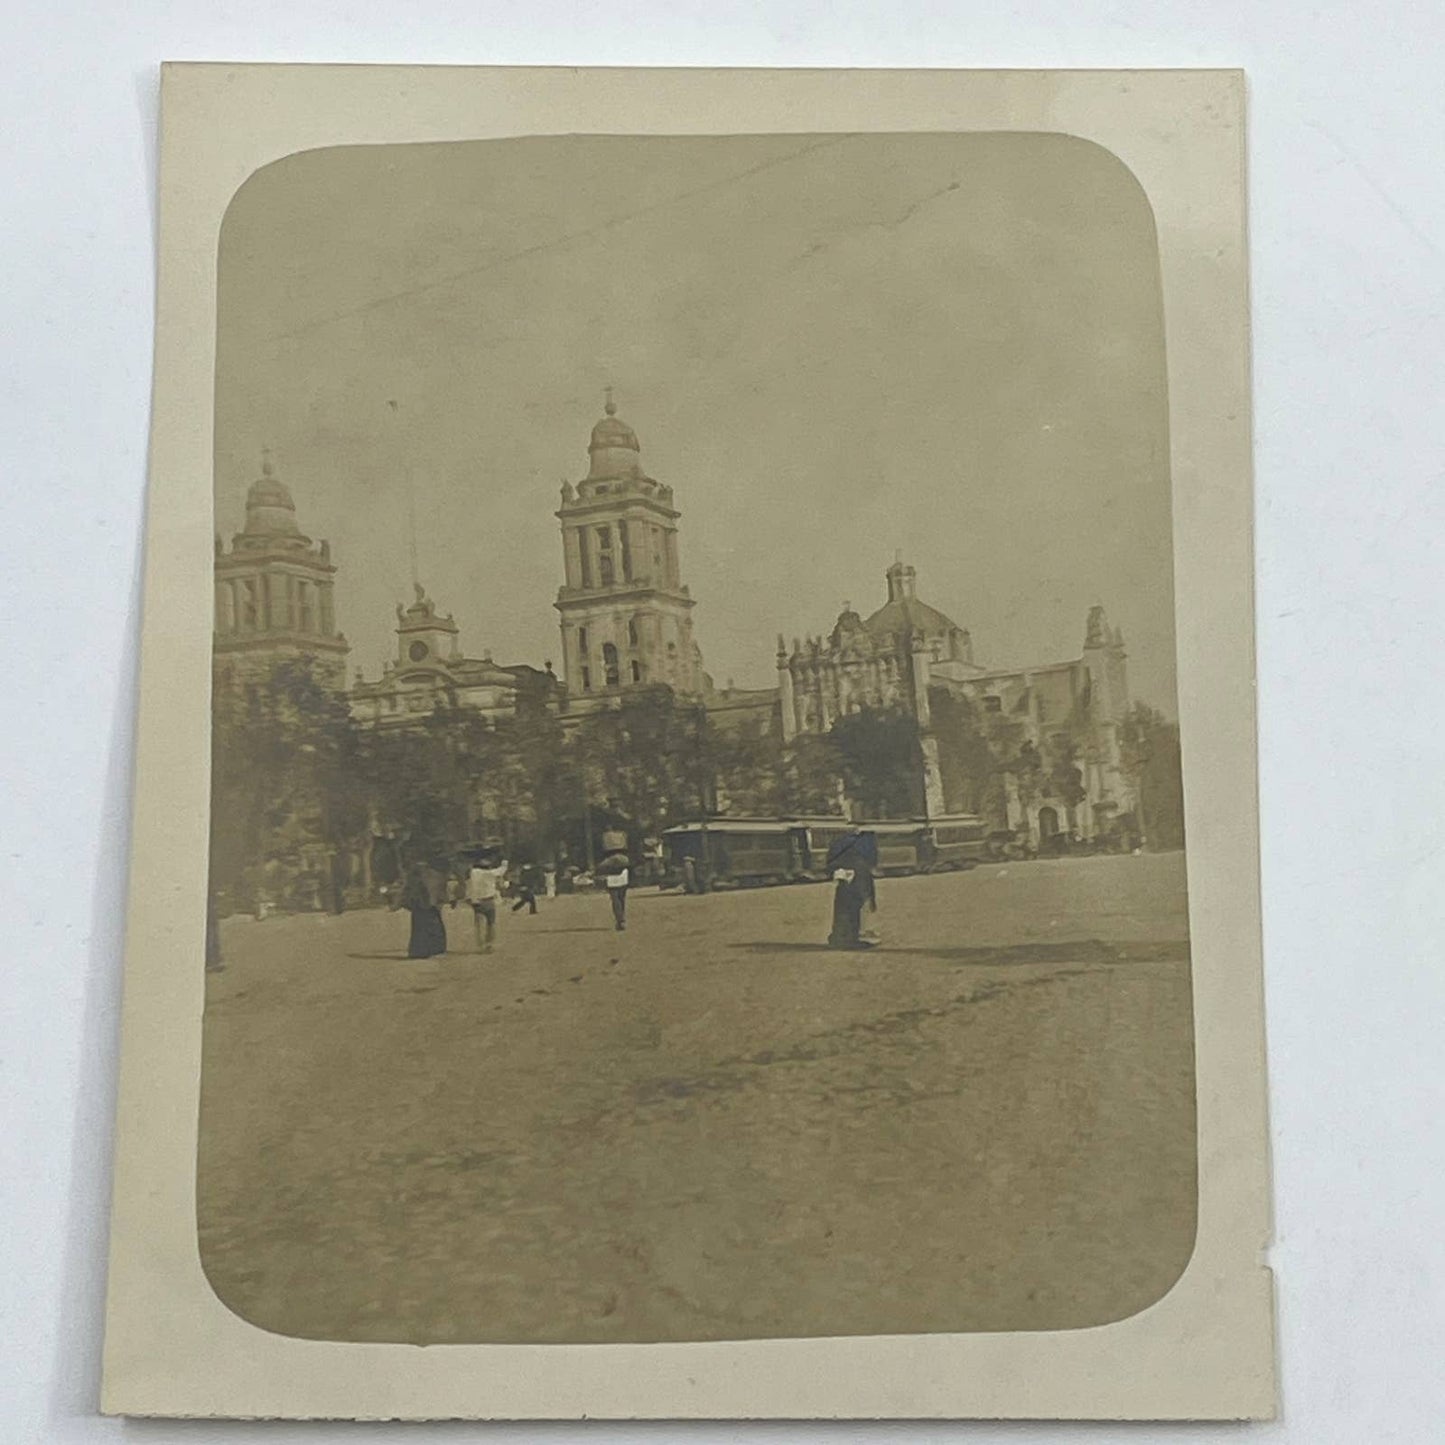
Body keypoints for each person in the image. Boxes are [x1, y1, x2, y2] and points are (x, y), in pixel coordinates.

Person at [826, 826, 879, 949]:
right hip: (857, 879)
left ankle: (841, 937)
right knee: (854, 907)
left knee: (843, 906)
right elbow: (871, 861)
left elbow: (830, 861)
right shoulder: (865, 844)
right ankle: (849, 939)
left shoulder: (840, 843)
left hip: (845, 879)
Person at [398, 861, 448, 959]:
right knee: (434, 929)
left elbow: (408, 893)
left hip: (420, 907)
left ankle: (420, 952)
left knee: (421, 929)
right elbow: (441, 891)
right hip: (430, 907)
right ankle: (436, 950)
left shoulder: (413, 878)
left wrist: (406, 904)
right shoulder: (435, 875)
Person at [466, 851, 508, 953]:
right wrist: (504, 861)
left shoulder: (473, 873)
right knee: (491, 923)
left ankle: (481, 945)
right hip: (488, 900)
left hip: (476, 901)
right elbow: (501, 871)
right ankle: (489, 944)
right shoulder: (489, 873)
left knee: (479, 924)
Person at [597, 848, 630, 931]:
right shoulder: (624, 858)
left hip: (612, 881)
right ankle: (621, 918)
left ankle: (620, 919)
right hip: (623, 879)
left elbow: (601, 866)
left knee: (615, 900)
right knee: (621, 899)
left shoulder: (609, 860)